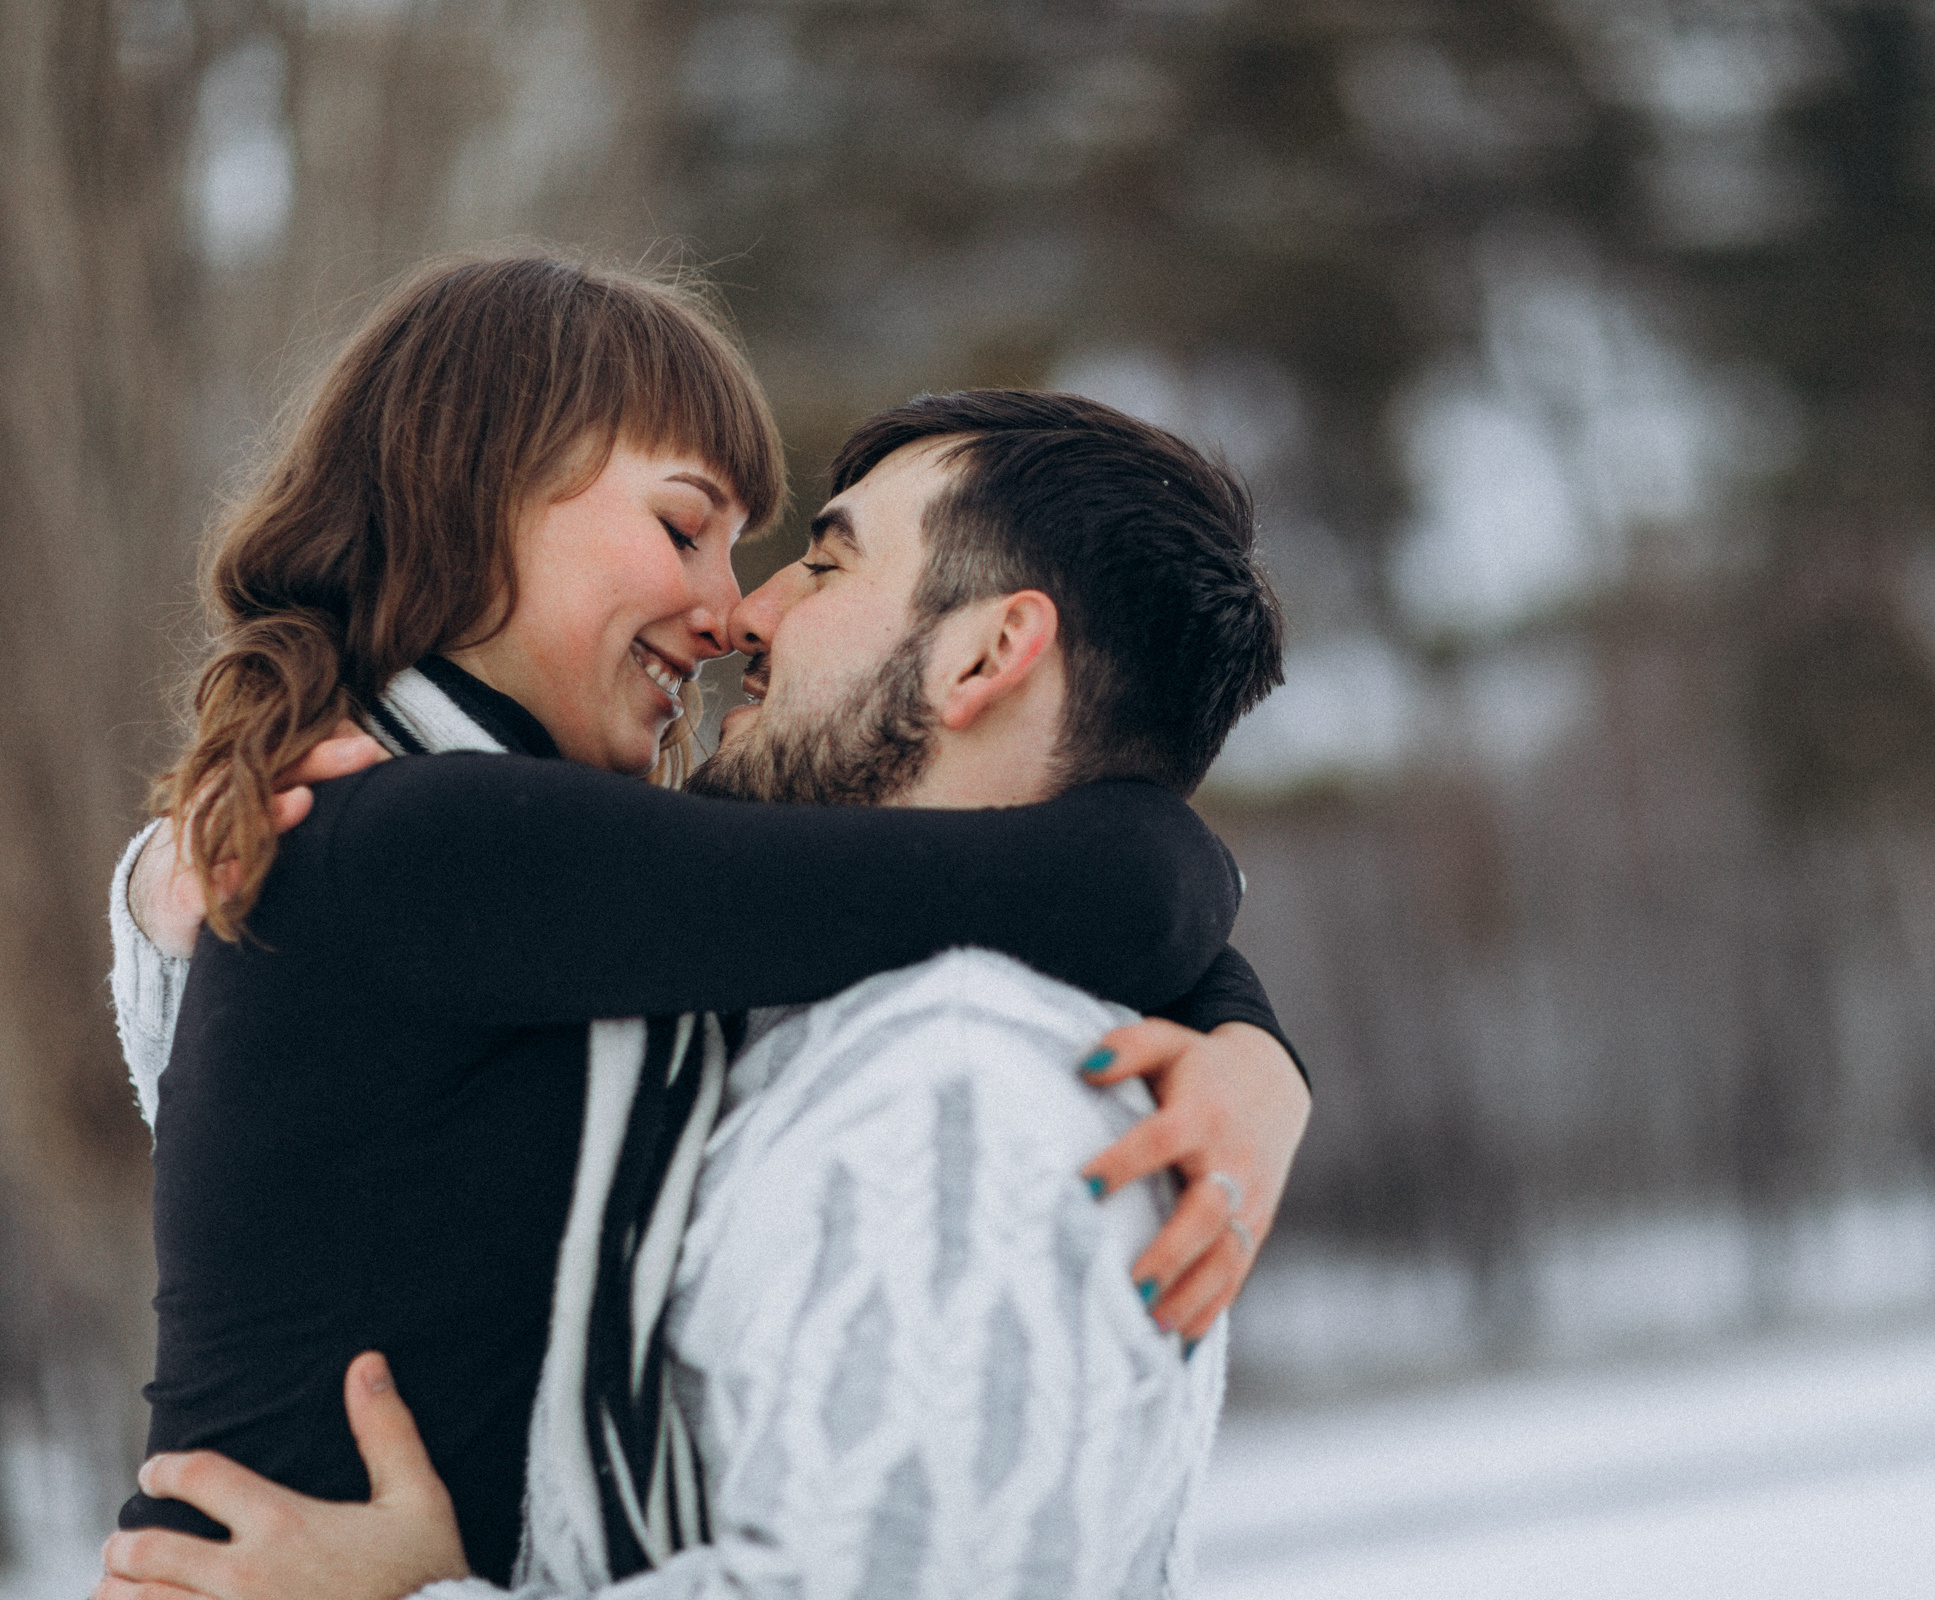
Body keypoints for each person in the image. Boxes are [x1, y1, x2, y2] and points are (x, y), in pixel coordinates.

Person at [100, 259, 1308, 1585]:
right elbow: (1107, 883)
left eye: (808, 560)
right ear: (474, 499)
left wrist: (1239, 1029)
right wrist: (1233, 1003)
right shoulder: (424, 845)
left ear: (986, 655)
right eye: (686, 530)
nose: (737, 610)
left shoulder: (921, 1066)